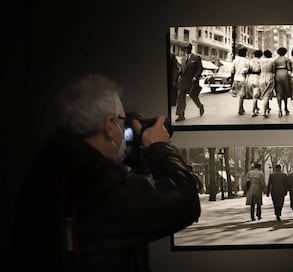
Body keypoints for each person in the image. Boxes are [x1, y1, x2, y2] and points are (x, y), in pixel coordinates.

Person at [10, 74, 201, 271]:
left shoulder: (54, 163)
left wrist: (139, 158)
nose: (123, 127)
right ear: (110, 125)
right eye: (121, 119)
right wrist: (158, 146)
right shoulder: (98, 181)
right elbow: (186, 202)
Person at [175, 43, 204, 121]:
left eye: (188, 48)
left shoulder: (197, 58)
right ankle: (181, 115)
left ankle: (200, 106)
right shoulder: (183, 59)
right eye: (185, 49)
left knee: (194, 97)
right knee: (180, 98)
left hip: (192, 81)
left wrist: (195, 77)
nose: (186, 50)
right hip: (183, 81)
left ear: (191, 49)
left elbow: (200, 69)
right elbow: (182, 70)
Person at [230, 47, 250, 115]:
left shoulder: (235, 60)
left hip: (236, 79)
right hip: (242, 79)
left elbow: (232, 71)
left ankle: (242, 108)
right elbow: (247, 71)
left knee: (239, 95)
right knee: (242, 95)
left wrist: (231, 82)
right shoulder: (247, 61)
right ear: (244, 53)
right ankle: (240, 109)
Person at [274, 47, 292, 116]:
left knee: (278, 92)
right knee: (285, 91)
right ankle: (286, 108)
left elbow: (273, 68)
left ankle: (279, 109)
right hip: (284, 73)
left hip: (277, 73)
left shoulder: (275, 59)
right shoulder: (287, 59)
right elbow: (289, 68)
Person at [258, 49, 276, 118]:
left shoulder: (260, 60)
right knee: (267, 95)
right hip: (269, 77)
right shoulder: (272, 61)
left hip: (262, 77)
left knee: (265, 94)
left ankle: (267, 108)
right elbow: (274, 70)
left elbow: (259, 69)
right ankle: (264, 112)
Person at [246, 50, 262, 117]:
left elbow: (248, 70)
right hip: (257, 77)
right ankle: (253, 111)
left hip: (250, 78)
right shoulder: (261, 61)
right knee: (255, 95)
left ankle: (256, 107)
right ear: (260, 55)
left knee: (253, 95)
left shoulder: (250, 61)